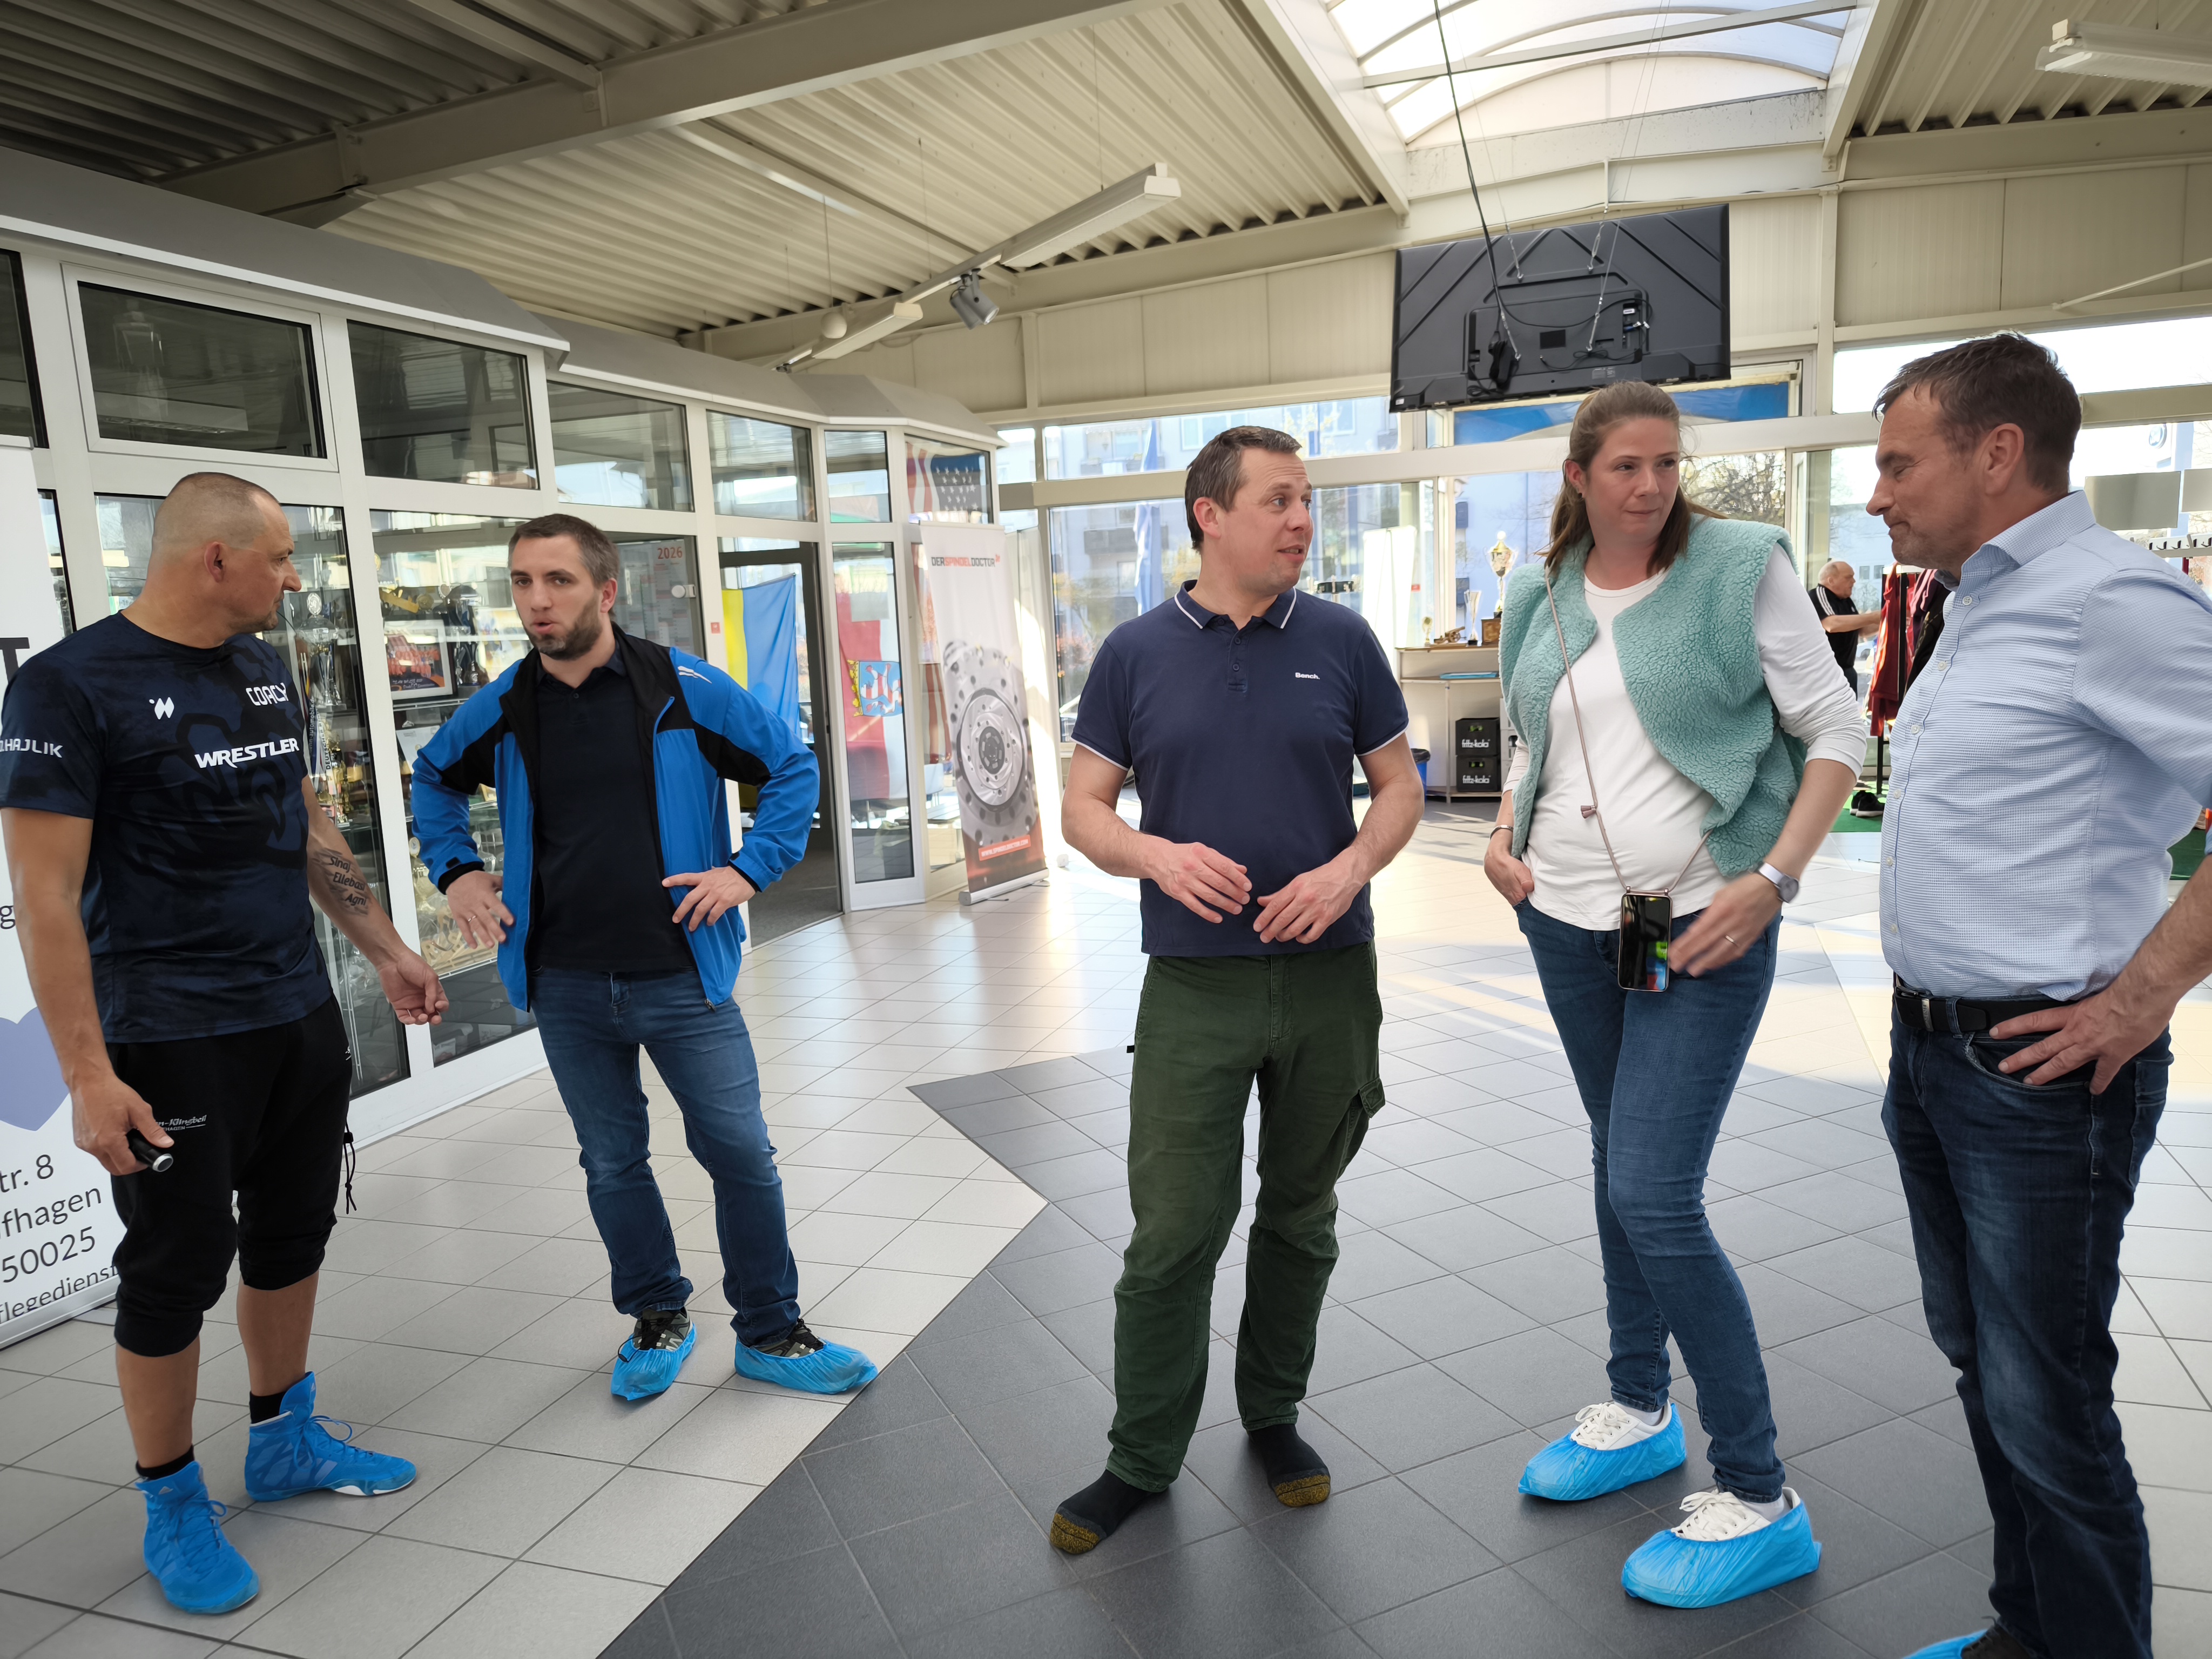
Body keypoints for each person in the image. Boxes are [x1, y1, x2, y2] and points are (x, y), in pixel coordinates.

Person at [0, 473, 447, 1615]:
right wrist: (87, 1076)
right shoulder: (68, 686)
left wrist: (384, 948)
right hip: (166, 1033)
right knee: (176, 1265)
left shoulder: (261, 669)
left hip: (293, 1011)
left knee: (294, 1232)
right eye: (281, 557)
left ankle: (283, 1439)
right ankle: (171, 1499)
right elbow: (43, 899)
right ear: (216, 558)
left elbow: (302, 821)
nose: (294, 578)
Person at [1483, 382, 1865, 1608]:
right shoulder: (1541, 591)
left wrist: (1774, 877)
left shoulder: (1738, 567)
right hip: (1577, 921)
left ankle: (1759, 1491)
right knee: (1618, 1160)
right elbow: (1532, 736)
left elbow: (1838, 729)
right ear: (1580, 476)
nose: (1650, 485)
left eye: (1666, 463)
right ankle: (1639, 1405)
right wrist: (1501, 831)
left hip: (1697, 919)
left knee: (1653, 1187)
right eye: (1625, 466)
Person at [1865, 335, 2212, 1659]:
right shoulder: (1972, 601)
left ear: (1997, 453)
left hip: (2041, 1076)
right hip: (1933, 1055)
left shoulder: (2109, 600)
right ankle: (2028, 1630)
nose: (1879, 494)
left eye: (1899, 464)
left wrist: (2136, 1001)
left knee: (2048, 1403)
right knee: (1987, 1370)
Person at [1050, 427, 1424, 1554]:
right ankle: (1140, 1456)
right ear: (1209, 516)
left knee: (1301, 1218)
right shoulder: (1133, 653)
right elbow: (1082, 811)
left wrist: (1348, 869)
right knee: (1173, 1232)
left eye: (1307, 500)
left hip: (1328, 977)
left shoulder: (1343, 641)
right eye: (1279, 500)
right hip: (1193, 988)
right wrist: (1156, 857)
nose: (1302, 520)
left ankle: (1273, 1415)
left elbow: (1399, 789)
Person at [411, 513, 875, 1404]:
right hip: (565, 981)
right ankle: (658, 1315)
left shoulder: (681, 686)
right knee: (612, 1161)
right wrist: (458, 871)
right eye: (521, 582)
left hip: (681, 974)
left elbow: (792, 766)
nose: (537, 600)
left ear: (606, 590)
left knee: (741, 1154)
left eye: (558, 580)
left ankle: (770, 1331)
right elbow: (433, 775)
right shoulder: (507, 703)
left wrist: (748, 870)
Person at [1811, 558, 1883, 693]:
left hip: (1847, 670)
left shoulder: (1846, 600)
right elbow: (1832, 625)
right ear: (1831, 581)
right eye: (1849, 577)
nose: (1854, 581)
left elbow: (1861, 631)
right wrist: (1872, 617)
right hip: (1826, 673)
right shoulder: (1818, 595)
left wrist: (1887, 622)